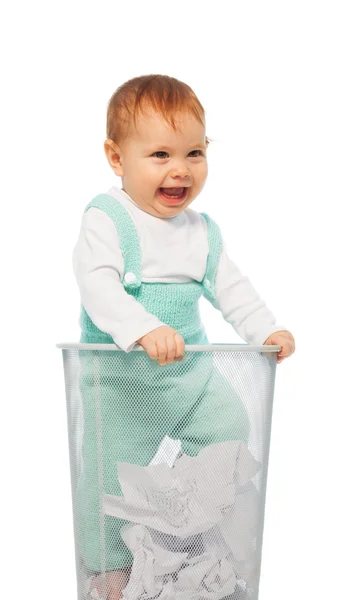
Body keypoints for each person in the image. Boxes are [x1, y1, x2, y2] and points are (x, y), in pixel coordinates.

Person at [72, 74, 295, 600]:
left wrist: (266, 328)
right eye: (159, 155)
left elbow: (231, 289)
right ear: (116, 157)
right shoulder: (108, 219)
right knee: (110, 478)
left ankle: (191, 536)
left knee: (230, 424)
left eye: (194, 152)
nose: (180, 169)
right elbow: (96, 286)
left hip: (189, 380)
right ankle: (111, 566)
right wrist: (143, 328)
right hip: (121, 388)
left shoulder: (201, 231)